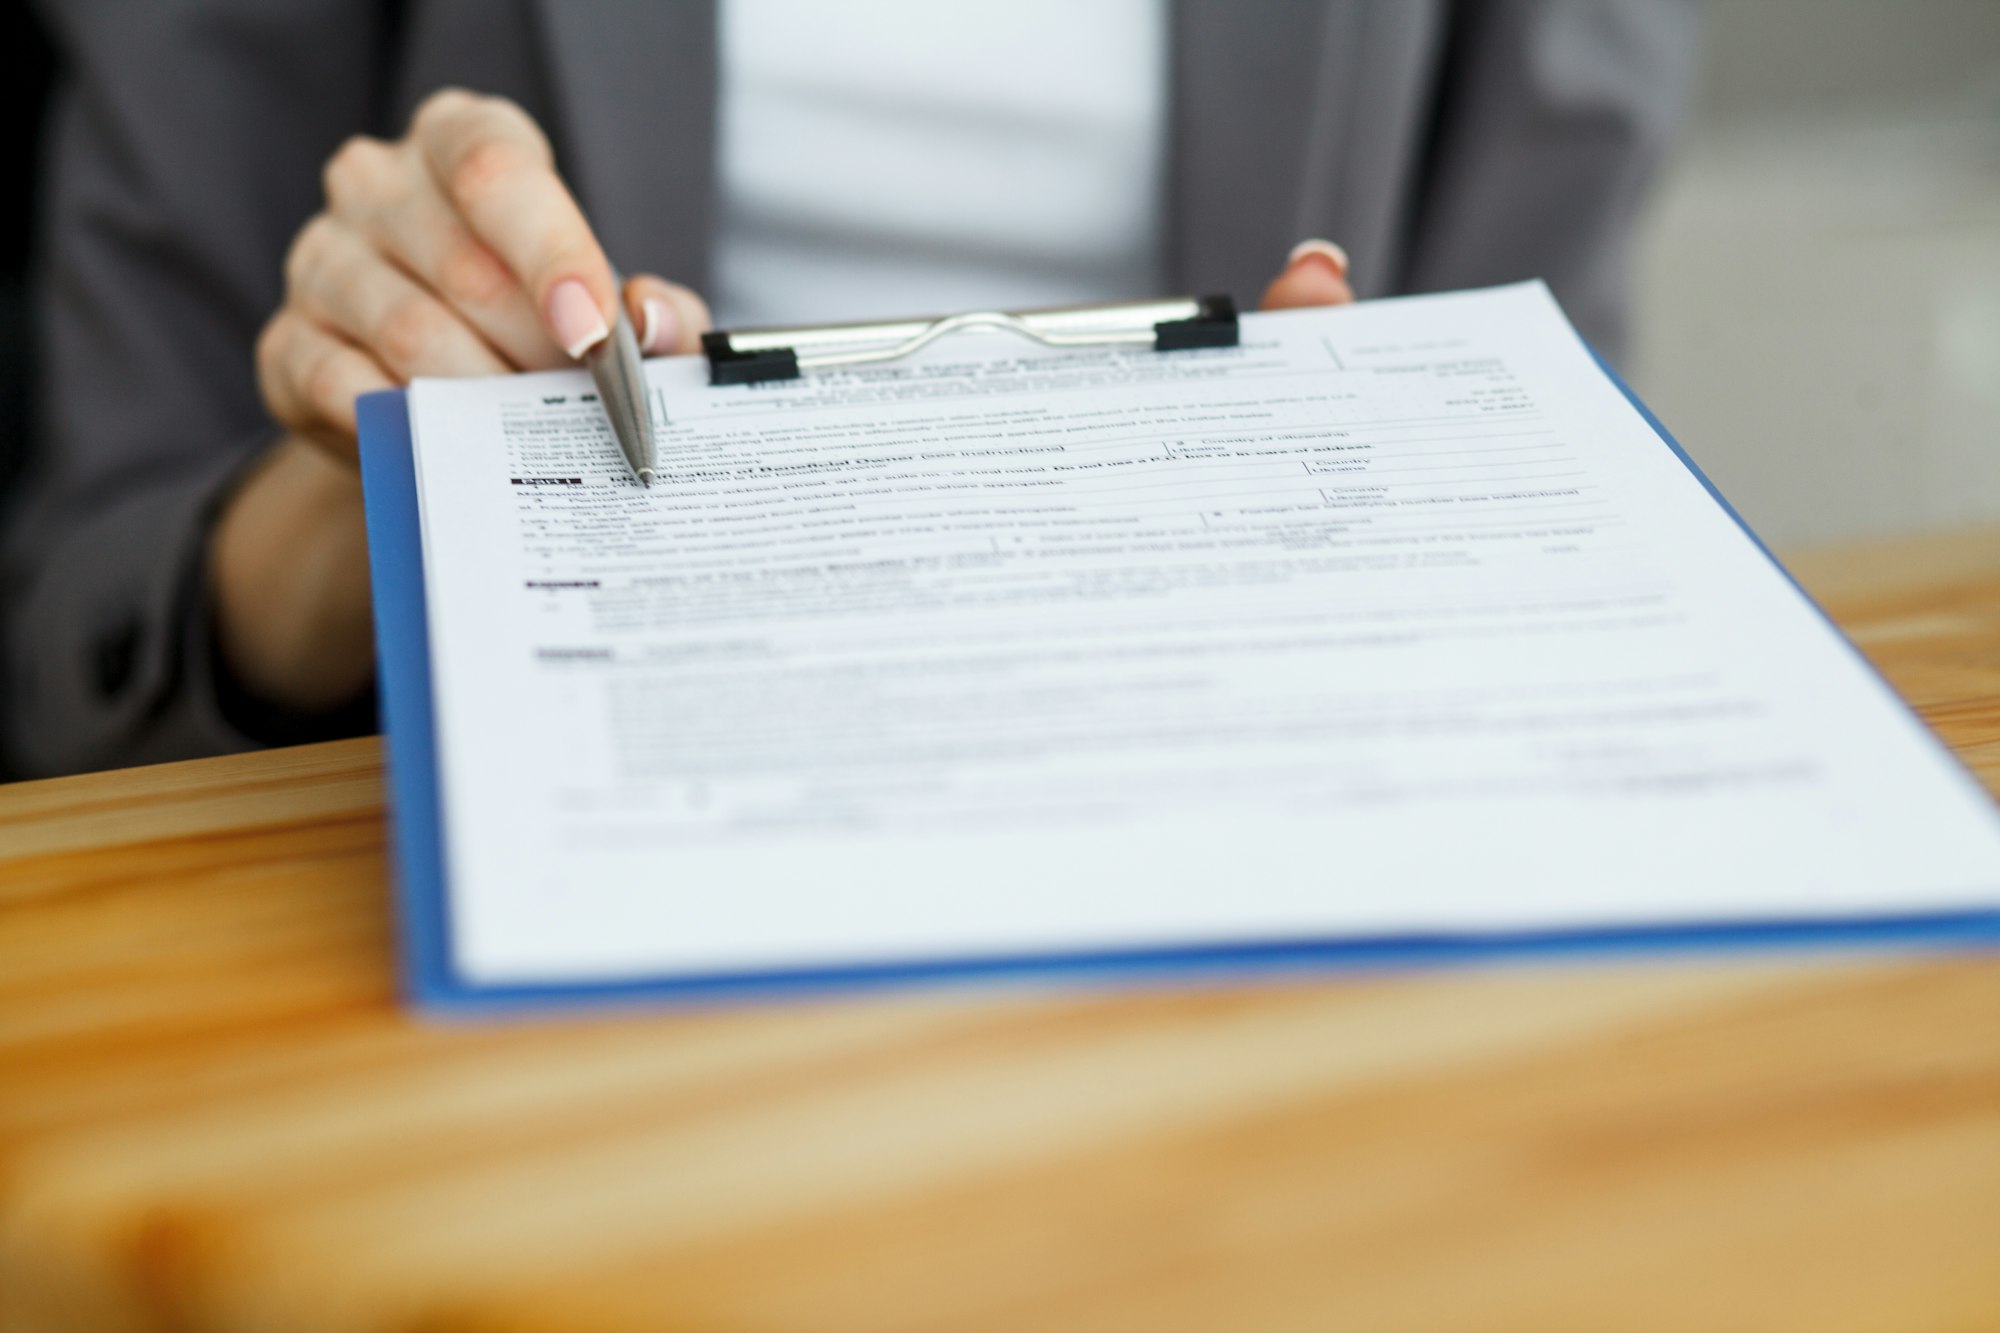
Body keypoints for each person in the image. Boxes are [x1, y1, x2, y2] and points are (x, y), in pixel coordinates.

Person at [1, 0, 1698, 777]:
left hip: (1254, 809)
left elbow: (1558, 453)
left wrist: (1414, 476)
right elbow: (76, 640)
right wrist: (371, 481)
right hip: (588, 870)